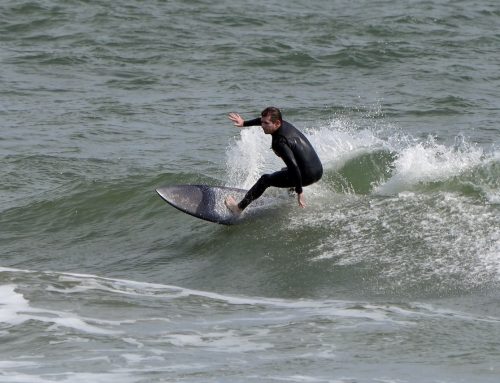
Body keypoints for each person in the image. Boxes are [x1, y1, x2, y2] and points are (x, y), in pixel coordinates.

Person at [225, 106, 323, 214]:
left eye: (266, 123)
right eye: (262, 122)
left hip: (307, 176)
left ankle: (238, 208)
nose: (262, 126)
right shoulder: (283, 124)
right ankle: (290, 195)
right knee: (284, 170)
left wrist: (300, 192)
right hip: (317, 170)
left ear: (277, 123)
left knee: (265, 180)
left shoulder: (279, 142)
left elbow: (294, 167)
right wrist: (244, 123)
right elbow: (262, 120)